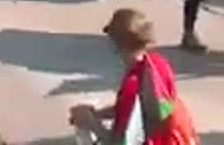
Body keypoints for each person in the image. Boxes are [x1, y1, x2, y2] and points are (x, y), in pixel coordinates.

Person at [68, 8, 198, 144]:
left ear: (116, 44)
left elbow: (120, 142)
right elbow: (135, 111)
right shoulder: (158, 63)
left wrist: (91, 123)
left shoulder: (133, 85)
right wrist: (98, 114)